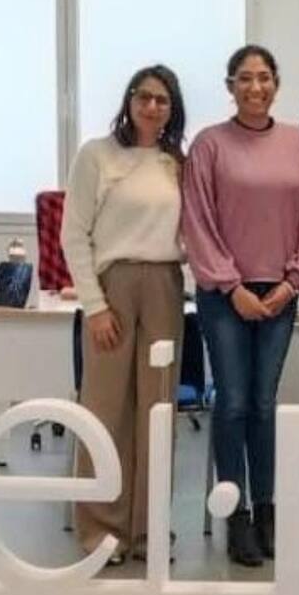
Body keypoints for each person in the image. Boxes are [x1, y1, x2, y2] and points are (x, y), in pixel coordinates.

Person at [183, 45, 299, 567]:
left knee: (264, 403)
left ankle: (267, 509)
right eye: (244, 78)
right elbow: (197, 220)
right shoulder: (209, 145)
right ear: (230, 86)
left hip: (280, 292)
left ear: (276, 84)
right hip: (226, 295)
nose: (255, 87)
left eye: (264, 77)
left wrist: (293, 282)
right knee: (234, 401)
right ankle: (236, 511)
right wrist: (231, 286)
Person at [62, 64, 187, 566]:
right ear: (129, 101)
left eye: (162, 99)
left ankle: (147, 528)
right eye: (144, 97)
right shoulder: (97, 155)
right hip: (112, 287)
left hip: (165, 286)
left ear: (173, 108)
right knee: (106, 407)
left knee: (158, 408)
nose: (152, 106)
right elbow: (74, 234)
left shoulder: (178, 163)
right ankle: (101, 530)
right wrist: (94, 306)